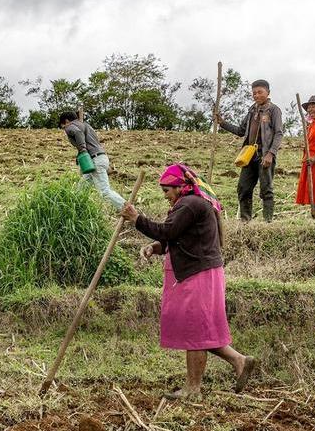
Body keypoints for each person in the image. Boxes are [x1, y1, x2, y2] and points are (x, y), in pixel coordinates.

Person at [121, 163, 257, 399]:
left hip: (198, 274)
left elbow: (167, 231)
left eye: (166, 190)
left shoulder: (189, 204)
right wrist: (155, 248)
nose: (165, 196)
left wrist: (137, 219)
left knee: (195, 332)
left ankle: (193, 389)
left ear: (180, 186)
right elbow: (176, 237)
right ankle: (240, 361)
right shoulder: (190, 203)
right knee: (200, 329)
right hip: (199, 271)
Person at [216, 80, 284, 222]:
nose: (256, 95)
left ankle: (267, 222)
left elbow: (278, 133)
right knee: (243, 187)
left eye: (260, 92)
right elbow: (241, 131)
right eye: (254, 93)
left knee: (266, 190)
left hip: (265, 155)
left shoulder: (274, 110)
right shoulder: (252, 110)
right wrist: (222, 123)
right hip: (249, 155)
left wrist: (271, 153)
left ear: (268, 93)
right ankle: (245, 220)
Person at [59, 111, 126, 210]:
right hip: (101, 157)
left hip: (95, 160)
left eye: (62, 126)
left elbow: (77, 133)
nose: (64, 128)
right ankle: (76, 212)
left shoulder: (70, 126)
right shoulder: (86, 125)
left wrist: (82, 150)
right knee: (81, 189)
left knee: (104, 191)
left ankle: (127, 208)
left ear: (66, 121)